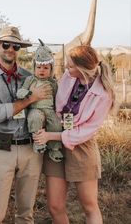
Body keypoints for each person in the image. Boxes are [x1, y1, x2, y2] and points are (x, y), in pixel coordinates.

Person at [0, 26, 51, 224]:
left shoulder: (29, 76)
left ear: (19, 49)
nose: (10, 49)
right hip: (2, 149)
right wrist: (29, 99)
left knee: (26, 214)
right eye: (6, 44)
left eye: (15, 46)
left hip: (30, 149)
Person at [33, 45, 115, 224]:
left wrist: (50, 136)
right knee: (55, 206)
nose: (66, 70)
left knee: (89, 206)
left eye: (70, 66)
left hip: (81, 147)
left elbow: (87, 131)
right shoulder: (68, 77)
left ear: (83, 68)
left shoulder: (103, 95)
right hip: (55, 146)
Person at [16, 39, 63, 162]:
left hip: (49, 110)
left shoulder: (53, 83)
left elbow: (58, 97)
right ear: (34, 67)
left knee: (56, 124)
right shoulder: (30, 80)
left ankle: (55, 149)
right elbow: (20, 91)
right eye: (39, 67)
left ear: (51, 69)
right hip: (35, 108)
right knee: (34, 118)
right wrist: (26, 93)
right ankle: (38, 143)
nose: (42, 70)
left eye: (46, 68)